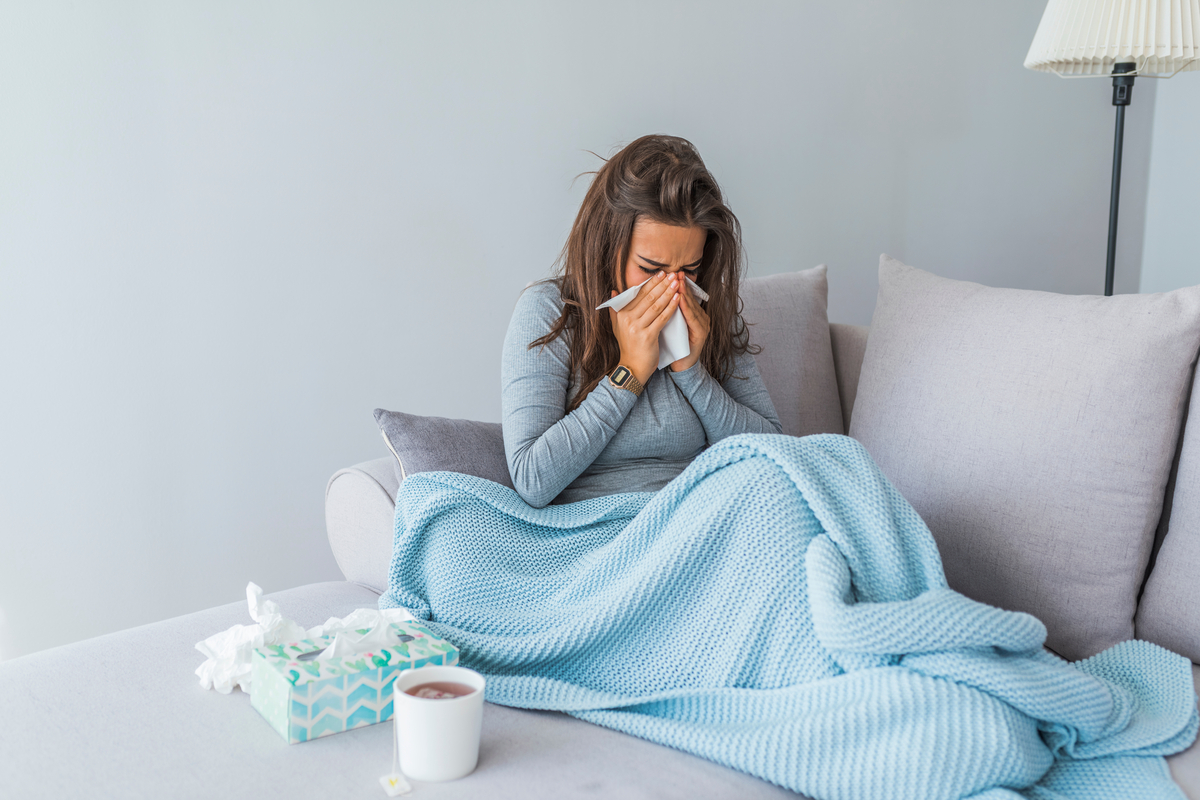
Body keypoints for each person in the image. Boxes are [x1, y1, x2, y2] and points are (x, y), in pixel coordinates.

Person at [501, 134, 783, 508]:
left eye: (690, 269)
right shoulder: (550, 311)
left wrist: (692, 372)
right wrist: (630, 372)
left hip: (704, 512)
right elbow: (532, 479)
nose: (671, 287)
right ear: (606, 245)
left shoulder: (706, 314)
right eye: (651, 268)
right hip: (602, 529)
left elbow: (776, 453)